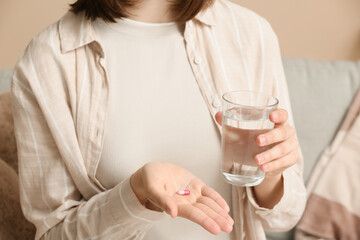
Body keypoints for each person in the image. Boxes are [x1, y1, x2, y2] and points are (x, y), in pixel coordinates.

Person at [11, 0, 307, 239]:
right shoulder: (47, 60)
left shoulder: (250, 34)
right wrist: (134, 196)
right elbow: (53, 234)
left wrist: (270, 175)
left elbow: (285, 215)